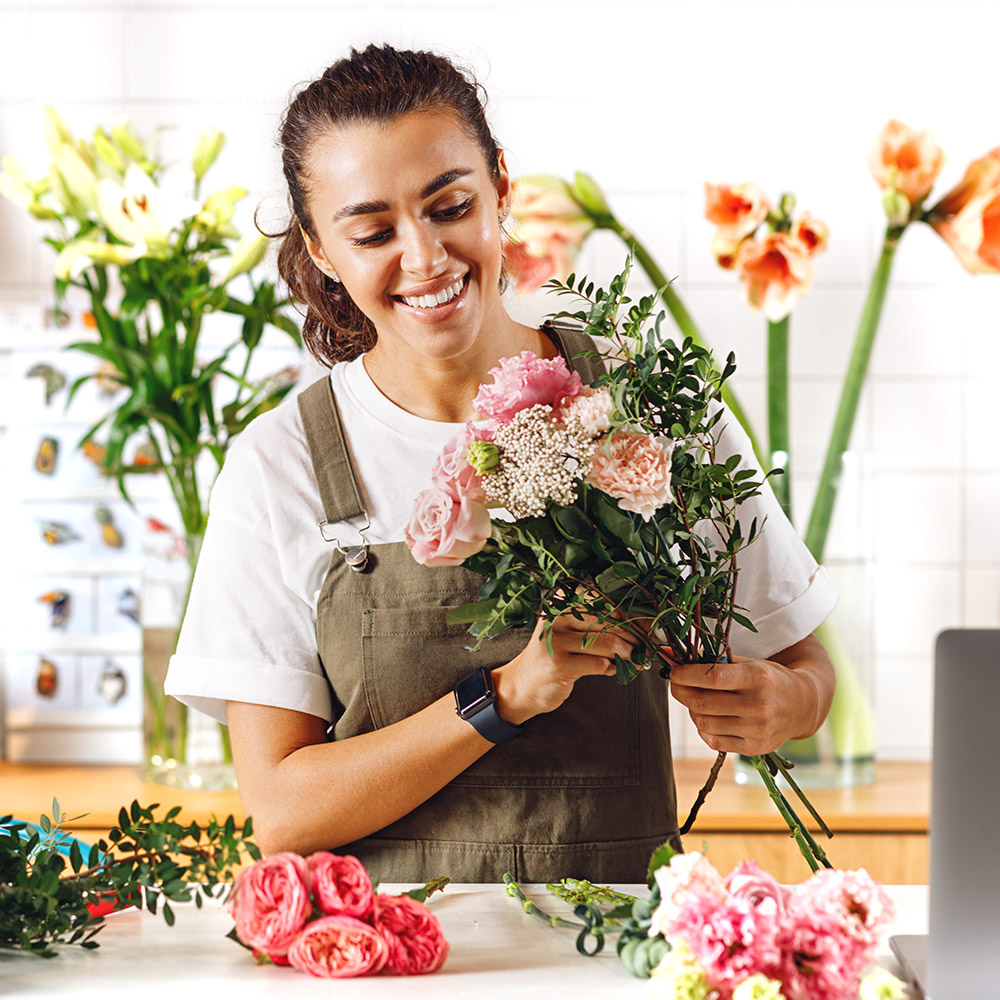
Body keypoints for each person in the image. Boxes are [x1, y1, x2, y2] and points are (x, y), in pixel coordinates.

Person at [164, 43, 837, 883]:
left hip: (614, 951)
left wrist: (782, 705)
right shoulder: (283, 462)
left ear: (501, 190)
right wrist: (509, 694)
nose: (425, 256)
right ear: (323, 252)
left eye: (449, 206)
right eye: (373, 231)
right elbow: (283, 811)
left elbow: (807, 670)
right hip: (392, 960)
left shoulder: (647, 402)